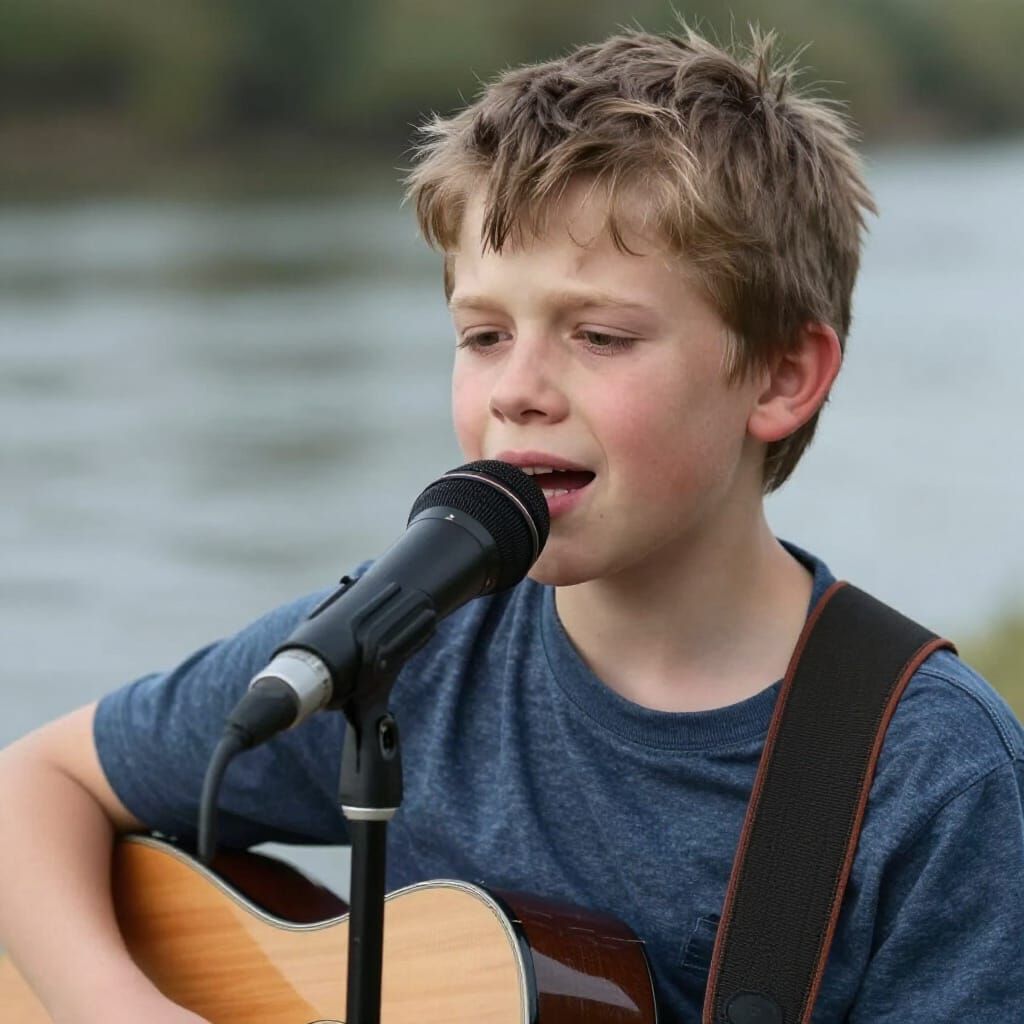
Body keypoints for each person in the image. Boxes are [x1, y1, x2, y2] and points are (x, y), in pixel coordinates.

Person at [1, 25, 1021, 1024]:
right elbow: (34, 784)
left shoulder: (932, 777)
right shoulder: (410, 642)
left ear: (781, 375)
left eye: (600, 335)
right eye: (483, 334)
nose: (519, 391)